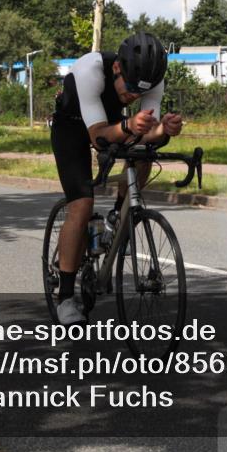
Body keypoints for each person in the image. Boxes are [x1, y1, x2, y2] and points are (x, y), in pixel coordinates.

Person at [50, 31, 183, 325]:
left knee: (145, 153)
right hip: (72, 128)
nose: (134, 95)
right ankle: (66, 297)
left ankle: (116, 216)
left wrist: (163, 130)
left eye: (141, 91)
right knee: (82, 205)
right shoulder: (89, 70)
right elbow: (98, 136)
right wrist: (128, 124)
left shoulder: (152, 78)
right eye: (131, 87)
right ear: (116, 69)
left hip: (114, 123)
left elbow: (147, 133)